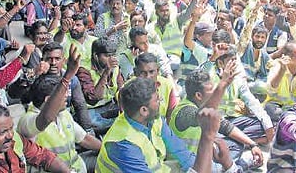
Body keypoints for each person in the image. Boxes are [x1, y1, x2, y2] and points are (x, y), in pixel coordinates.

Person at [96, 77, 236, 172]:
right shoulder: (122, 144)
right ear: (144, 110)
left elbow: (182, 153)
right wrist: (207, 137)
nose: (161, 100)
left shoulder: (154, 120)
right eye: (157, 100)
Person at [17, 44, 101, 172]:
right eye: (62, 94)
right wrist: (67, 76)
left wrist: (108, 149)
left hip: (77, 167)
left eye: (58, 59)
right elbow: (45, 119)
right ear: (48, 100)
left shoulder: (64, 114)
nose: (66, 97)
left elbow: (84, 138)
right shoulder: (27, 121)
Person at [170, 68, 264, 170]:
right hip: (188, 165)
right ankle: (240, 165)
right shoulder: (185, 112)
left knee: (235, 144)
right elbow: (203, 116)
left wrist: (252, 145)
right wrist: (223, 84)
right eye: (212, 90)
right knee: (225, 165)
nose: (217, 93)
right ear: (198, 95)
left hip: (201, 156)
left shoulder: (199, 105)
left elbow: (226, 126)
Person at [0, 104, 70, 172]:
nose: (10, 135)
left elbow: (44, 156)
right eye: (3, 132)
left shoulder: (13, 139)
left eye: (11, 128)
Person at [76, 37, 124, 133]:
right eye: (106, 56)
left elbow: (121, 90)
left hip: (110, 106)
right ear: (95, 56)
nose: (111, 59)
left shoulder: (115, 67)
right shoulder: (83, 70)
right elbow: (93, 99)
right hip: (91, 110)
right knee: (93, 122)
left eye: (112, 55)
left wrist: (124, 111)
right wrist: (106, 72)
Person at [133, 52, 178, 123]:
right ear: (135, 73)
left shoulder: (167, 85)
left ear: (158, 71)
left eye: (151, 72)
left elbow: (171, 116)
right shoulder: (128, 90)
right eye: (143, 73)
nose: (148, 77)